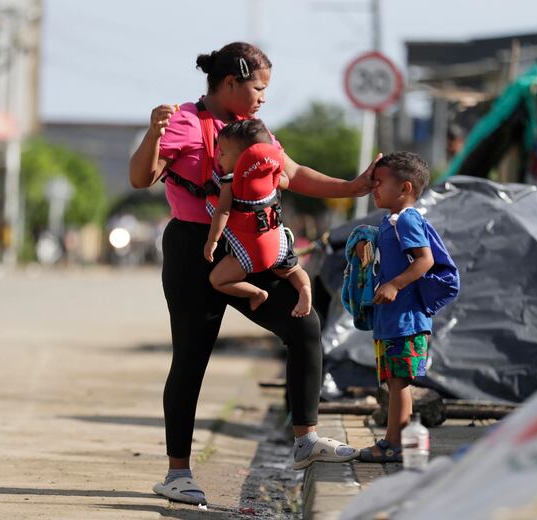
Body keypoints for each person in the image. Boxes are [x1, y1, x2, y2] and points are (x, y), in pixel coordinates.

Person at [129, 42, 377, 505]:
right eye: (258, 88)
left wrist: (354, 185)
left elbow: (294, 171)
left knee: (304, 325)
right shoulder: (184, 121)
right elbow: (142, 177)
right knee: (191, 358)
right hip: (193, 250)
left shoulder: (254, 130)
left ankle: (306, 441)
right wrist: (151, 135)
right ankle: (178, 473)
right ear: (230, 84)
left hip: (250, 245)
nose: (264, 97)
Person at [354, 152, 435, 463]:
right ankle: (395, 440)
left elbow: (425, 260)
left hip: (406, 319)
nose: (374, 188)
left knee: (398, 382)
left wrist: (394, 285)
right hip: (390, 319)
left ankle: (395, 444)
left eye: (380, 183)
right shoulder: (389, 222)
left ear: (405, 188)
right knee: (393, 381)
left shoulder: (408, 220)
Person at [203, 119, 312, 317]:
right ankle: (304, 288)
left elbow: (223, 212)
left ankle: (256, 293)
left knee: (217, 280)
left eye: (223, 153)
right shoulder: (271, 175)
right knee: (293, 271)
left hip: (250, 253)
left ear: (244, 158)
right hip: (279, 246)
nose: (218, 157)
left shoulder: (230, 181)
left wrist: (212, 241)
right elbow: (285, 182)